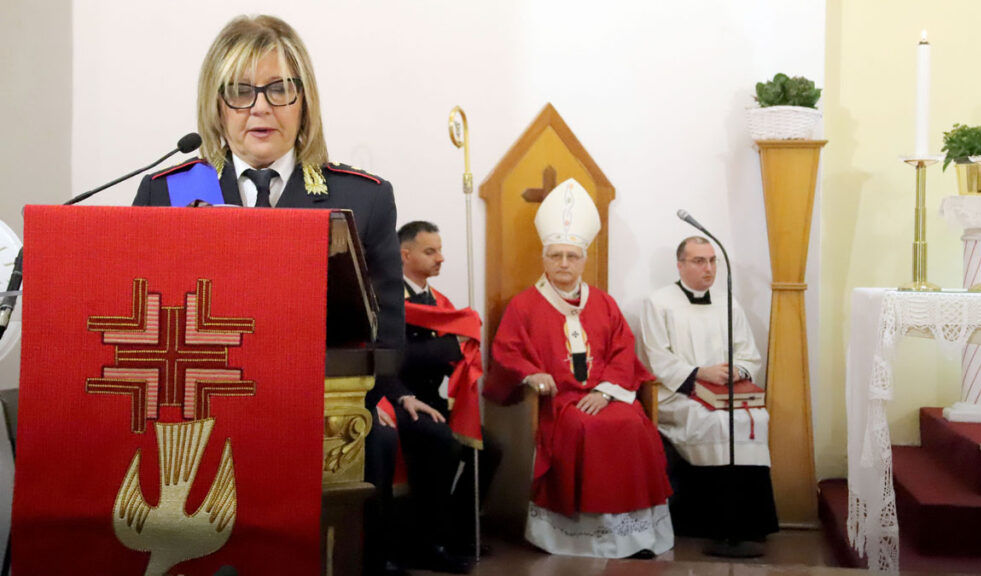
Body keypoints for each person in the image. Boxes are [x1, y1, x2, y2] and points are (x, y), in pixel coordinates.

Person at [128, 15, 427, 575]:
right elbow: (142, 320)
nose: (260, 108)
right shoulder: (166, 193)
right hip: (197, 425)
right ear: (217, 105)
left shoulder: (363, 198)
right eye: (241, 91)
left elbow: (386, 339)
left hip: (317, 424)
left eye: (279, 89)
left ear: (304, 101)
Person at [485, 178, 673, 559]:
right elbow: (506, 352)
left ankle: (632, 537)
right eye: (556, 255)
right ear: (544, 258)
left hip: (607, 396)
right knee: (584, 428)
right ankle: (586, 538)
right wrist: (532, 374)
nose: (564, 264)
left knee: (634, 424)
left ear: (584, 260)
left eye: (572, 256)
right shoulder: (524, 305)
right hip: (560, 402)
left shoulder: (603, 303)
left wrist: (606, 392)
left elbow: (623, 351)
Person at [639, 236, 779, 543]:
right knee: (715, 422)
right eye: (699, 261)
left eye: (713, 261)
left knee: (754, 419)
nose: (709, 268)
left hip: (725, 391)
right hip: (678, 393)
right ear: (680, 266)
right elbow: (657, 358)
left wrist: (736, 371)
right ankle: (718, 525)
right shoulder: (658, 303)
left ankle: (752, 525)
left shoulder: (728, 302)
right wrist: (701, 373)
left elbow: (748, 353)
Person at [382, 220, 502, 572]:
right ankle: (426, 543)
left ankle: (458, 532)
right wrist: (452, 345)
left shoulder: (439, 302)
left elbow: (448, 357)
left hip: (431, 400)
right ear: (405, 255)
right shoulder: (386, 300)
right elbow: (392, 358)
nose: (441, 258)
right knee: (440, 441)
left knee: (489, 448)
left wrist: (466, 358)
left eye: (440, 250)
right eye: (430, 251)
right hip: (395, 398)